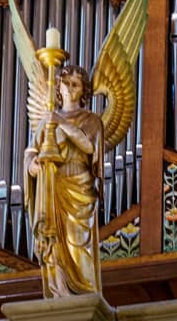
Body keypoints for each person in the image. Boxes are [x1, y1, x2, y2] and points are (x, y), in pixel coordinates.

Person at [24, 65, 104, 297]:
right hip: (52, 187)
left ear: (83, 90)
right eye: (65, 83)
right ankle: (60, 291)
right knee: (54, 244)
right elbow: (32, 149)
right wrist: (31, 165)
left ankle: (84, 293)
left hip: (78, 186)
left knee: (77, 244)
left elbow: (89, 145)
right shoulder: (46, 121)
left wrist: (61, 121)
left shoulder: (91, 119)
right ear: (57, 87)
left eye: (75, 84)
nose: (69, 89)